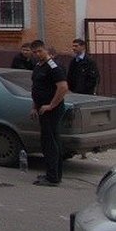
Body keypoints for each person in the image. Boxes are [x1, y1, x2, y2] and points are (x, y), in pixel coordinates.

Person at [29, 40, 69, 187]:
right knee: (50, 141)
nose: (37, 54)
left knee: (50, 143)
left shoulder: (54, 66)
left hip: (52, 110)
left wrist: (51, 105)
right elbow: (36, 88)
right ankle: (53, 174)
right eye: (34, 52)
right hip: (41, 108)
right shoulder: (38, 66)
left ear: (46, 50)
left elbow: (63, 87)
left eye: (40, 51)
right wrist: (34, 106)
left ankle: (52, 177)